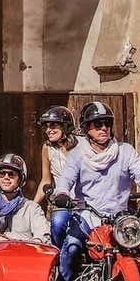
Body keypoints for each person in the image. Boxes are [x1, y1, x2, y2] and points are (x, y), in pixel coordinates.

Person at [52, 101, 140, 281]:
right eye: (98, 124)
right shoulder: (78, 154)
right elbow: (66, 179)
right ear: (86, 128)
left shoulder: (125, 151)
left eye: (107, 123)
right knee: (72, 246)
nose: (104, 128)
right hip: (89, 217)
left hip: (121, 217)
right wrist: (62, 193)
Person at [32, 106, 81, 247]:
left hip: (82, 201)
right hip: (61, 202)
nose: (48, 130)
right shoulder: (47, 148)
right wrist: (32, 206)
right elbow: (46, 180)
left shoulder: (81, 146)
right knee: (57, 226)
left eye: (53, 125)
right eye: (46, 126)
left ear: (66, 126)